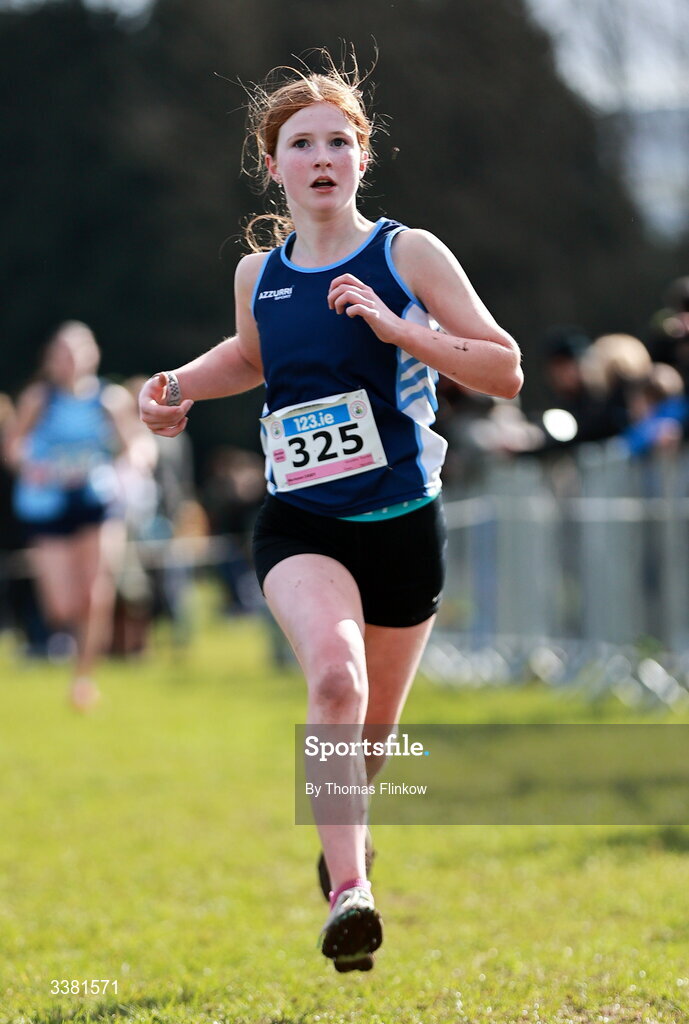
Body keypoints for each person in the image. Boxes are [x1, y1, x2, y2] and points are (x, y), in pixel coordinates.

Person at [138, 53, 523, 972]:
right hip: (299, 525)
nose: (322, 157)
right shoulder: (257, 274)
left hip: (401, 526)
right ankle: (352, 891)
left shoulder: (407, 253)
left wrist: (399, 331)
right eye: (301, 143)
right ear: (272, 165)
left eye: (339, 141)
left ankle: (341, 845)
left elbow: (501, 368)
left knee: (371, 738)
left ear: (361, 158)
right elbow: (251, 356)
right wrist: (176, 387)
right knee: (335, 684)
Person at [5, 321, 155, 710]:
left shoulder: (111, 400)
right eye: (62, 353)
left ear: (93, 355)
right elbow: (14, 448)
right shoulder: (39, 399)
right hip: (48, 506)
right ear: (51, 359)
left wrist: (137, 463)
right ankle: (72, 651)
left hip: (98, 502)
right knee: (62, 607)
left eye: (77, 352)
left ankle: (84, 679)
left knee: (95, 593)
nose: (70, 361)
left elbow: (136, 445)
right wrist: (32, 466)